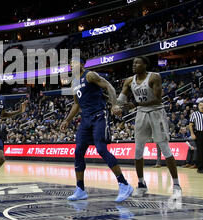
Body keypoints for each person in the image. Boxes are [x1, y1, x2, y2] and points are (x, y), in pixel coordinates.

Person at [60, 57, 133, 202]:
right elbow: (76, 104)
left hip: (99, 115)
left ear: (82, 64)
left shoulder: (89, 75)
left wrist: (114, 105)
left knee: (101, 149)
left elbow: (109, 87)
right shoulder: (74, 81)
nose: (71, 65)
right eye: (69, 63)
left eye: (74, 62)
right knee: (78, 151)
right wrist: (67, 120)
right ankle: (80, 189)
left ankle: (124, 184)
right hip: (85, 119)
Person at [114, 56, 182, 197]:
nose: (134, 65)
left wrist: (135, 104)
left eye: (137, 63)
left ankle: (176, 185)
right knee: (138, 151)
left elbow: (157, 99)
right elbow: (121, 99)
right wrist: (116, 106)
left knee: (165, 148)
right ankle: (141, 184)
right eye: (133, 63)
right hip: (141, 114)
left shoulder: (154, 77)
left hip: (157, 113)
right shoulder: (129, 81)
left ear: (145, 65)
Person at [189, 102, 203, 173]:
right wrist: (192, 134)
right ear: (198, 106)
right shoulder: (194, 114)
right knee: (200, 150)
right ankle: (200, 167)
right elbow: (190, 125)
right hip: (199, 133)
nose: (202, 106)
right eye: (200, 105)